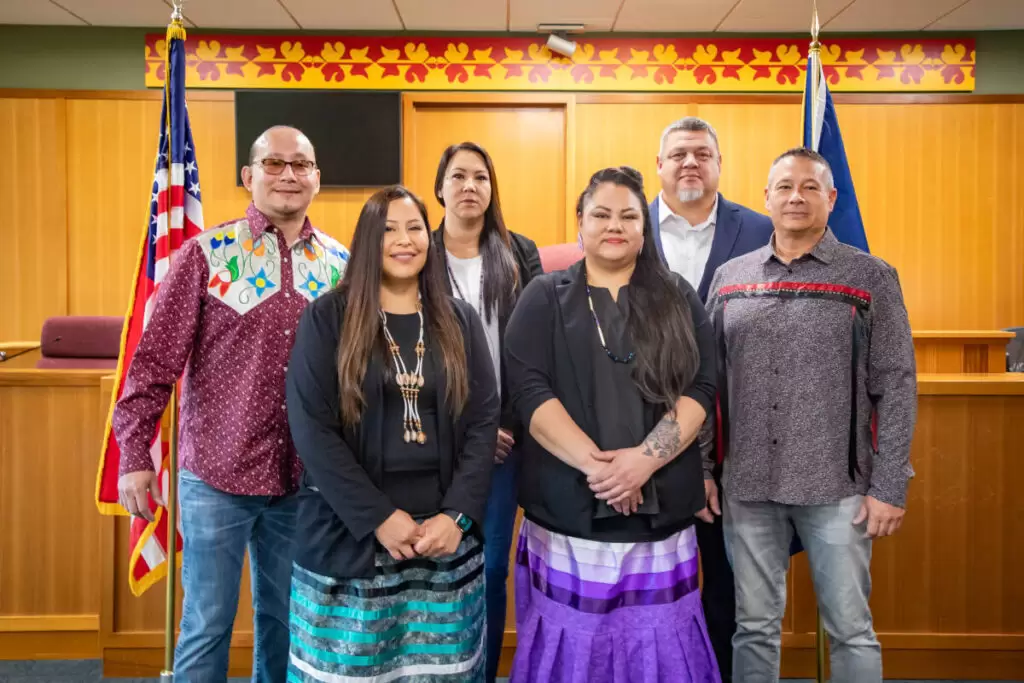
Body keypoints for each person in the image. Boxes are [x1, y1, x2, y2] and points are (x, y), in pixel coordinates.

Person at [112, 126, 349, 682]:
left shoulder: (341, 266)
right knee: (207, 624)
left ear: (317, 178)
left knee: (288, 622)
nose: (288, 175)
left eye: (301, 165)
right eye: (274, 164)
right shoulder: (206, 255)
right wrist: (134, 455)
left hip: (304, 482)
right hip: (217, 477)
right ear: (249, 176)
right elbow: (152, 364)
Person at [706, 148, 916, 683]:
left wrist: (889, 484)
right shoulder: (731, 277)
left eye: (808, 187)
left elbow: (895, 384)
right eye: (783, 186)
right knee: (752, 625)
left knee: (849, 627)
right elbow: (706, 384)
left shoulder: (870, 277)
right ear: (766, 198)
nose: (795, 196)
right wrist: (704, 469)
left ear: (831, 198)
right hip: (747, 485)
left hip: (839, 488)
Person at [504, 166, 721, 682]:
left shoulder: (677, 295)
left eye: (628, 215)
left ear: (644, 227)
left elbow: (702, 388)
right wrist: (603, 471)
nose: (614, 225)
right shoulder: (542, 295)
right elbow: (529, 391)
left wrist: (643, 463)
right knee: (572, 643)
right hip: (568, 504)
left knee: (661, 639)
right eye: (600, 214)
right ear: (580, 222)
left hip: (662, 503)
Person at [284, 185, 500, 681]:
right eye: (388, 230)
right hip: (350, 540)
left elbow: (484, 421)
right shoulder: (328, 318)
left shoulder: (459, 320)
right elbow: (312, 429)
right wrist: (378, 516)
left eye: (415, 228)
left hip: (443, 543)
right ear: (366, 243)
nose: (404, 241)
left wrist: (459, 516)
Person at [649, 115, 773, 682]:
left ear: (720, 165)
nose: (690, 163)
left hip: (734, 441)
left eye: (702, 153)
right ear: (659, 166)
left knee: (728, 590)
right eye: (678, 154)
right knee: (648, 589)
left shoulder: (761, 231)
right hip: (637, 438)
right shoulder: (627, 225)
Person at [431, 141, 544, 681]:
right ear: (440, 188)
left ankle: (483, 673)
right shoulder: (414, 252)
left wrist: (506, 426)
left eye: (480, 176)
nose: (470, 186)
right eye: (458, 176)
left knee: (491, 567)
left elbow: (535, 351)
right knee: (437, 565)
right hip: (430, 442)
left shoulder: (519, 253)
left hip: (505, 442)